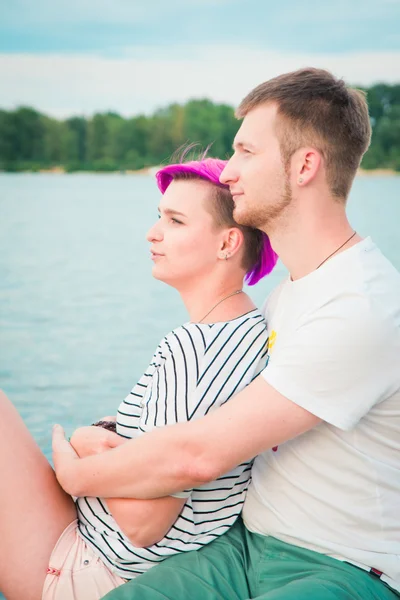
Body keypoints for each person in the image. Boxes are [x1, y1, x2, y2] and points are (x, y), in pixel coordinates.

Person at [53, 68, 400, 600]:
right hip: (243, 546)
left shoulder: (361, 305)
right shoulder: (292, 292)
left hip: (340, 567)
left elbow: (197, 455)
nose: (229, 172)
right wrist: (99, 429)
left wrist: (75, 473)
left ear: (305, 165)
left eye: (245, 152)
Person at [0, 158, 278, 600]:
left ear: (227, 242)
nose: (153, 232)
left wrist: (80, 456)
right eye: (158, 216)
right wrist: (104, 435)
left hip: (86, 566)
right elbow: (157, 459)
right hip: (110, 552)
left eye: (175, 220)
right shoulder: (245, 330)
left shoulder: (196, 351)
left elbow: (145, 523)